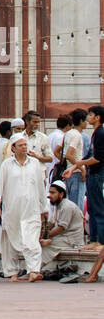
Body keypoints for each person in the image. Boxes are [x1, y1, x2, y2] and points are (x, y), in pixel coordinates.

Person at [0, 134, 47, 282]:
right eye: (21, 145)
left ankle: (34, 270)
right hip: (12, 210)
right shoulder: (6, 165)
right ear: (13, 148)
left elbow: (40, 186)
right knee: (10, 239)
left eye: (25, 145)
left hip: (32, 209)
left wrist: (44, 207)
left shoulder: (35, 163)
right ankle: (11, 271)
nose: (24, 147)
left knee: (32, 239)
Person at [65, 103, 104, 248]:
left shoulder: (100, 133)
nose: (88, 117)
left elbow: (97, 158)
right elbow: (89, 155)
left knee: (98, 208)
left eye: (91, 115)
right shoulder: (95, 133)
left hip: (98, 174)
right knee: (92, 208)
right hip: (92, 173)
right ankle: (94, 240)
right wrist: (74, 167)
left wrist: (80, 164)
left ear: (97, 117)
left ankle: (100, 241)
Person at [40, 180, 85, 272]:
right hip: (63, 238)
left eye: (53, 193)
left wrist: (45, 236)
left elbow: (61, 228)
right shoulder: (58, 206)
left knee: (45, 246)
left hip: (71, 241)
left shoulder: (66, 206)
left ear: (61, 194)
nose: (49, 195)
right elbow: (52, 224)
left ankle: (34, 270)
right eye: (49, 192)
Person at [59, 109, 88, 210]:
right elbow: (69, 155)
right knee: (77, 206)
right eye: (85, 120)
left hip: (70, 171)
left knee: (71, 204)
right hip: (76, 172)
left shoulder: (68, 133)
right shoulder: (76, 135)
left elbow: (61, 153)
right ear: (81, 121)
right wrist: (83, 169)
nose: (87, 123)